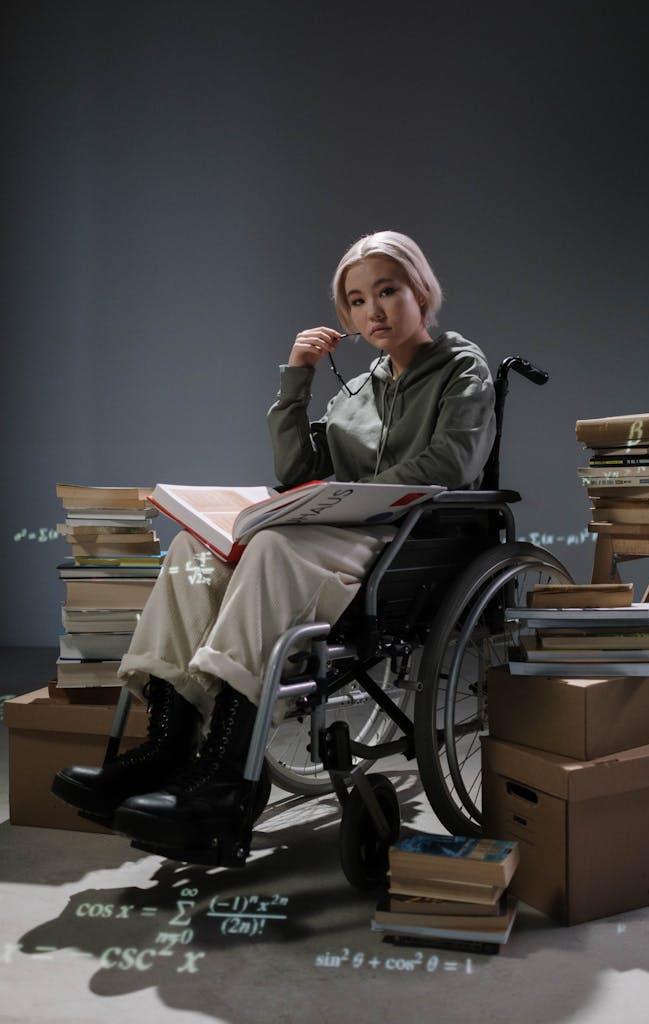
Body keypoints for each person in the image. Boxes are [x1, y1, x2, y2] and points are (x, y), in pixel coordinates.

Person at [52, 230, 496, 855]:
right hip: (331, 530)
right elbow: (295, 472)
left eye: (388, 291)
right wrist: (297, 379)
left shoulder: (460, 367)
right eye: (357, 299)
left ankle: (229, 781)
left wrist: (350, 499)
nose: (373, 310)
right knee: (191, 555)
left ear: (420, 290)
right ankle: (167, 746)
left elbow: (449, 464)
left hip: (405, 541)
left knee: (270, 549)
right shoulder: (359, 387)